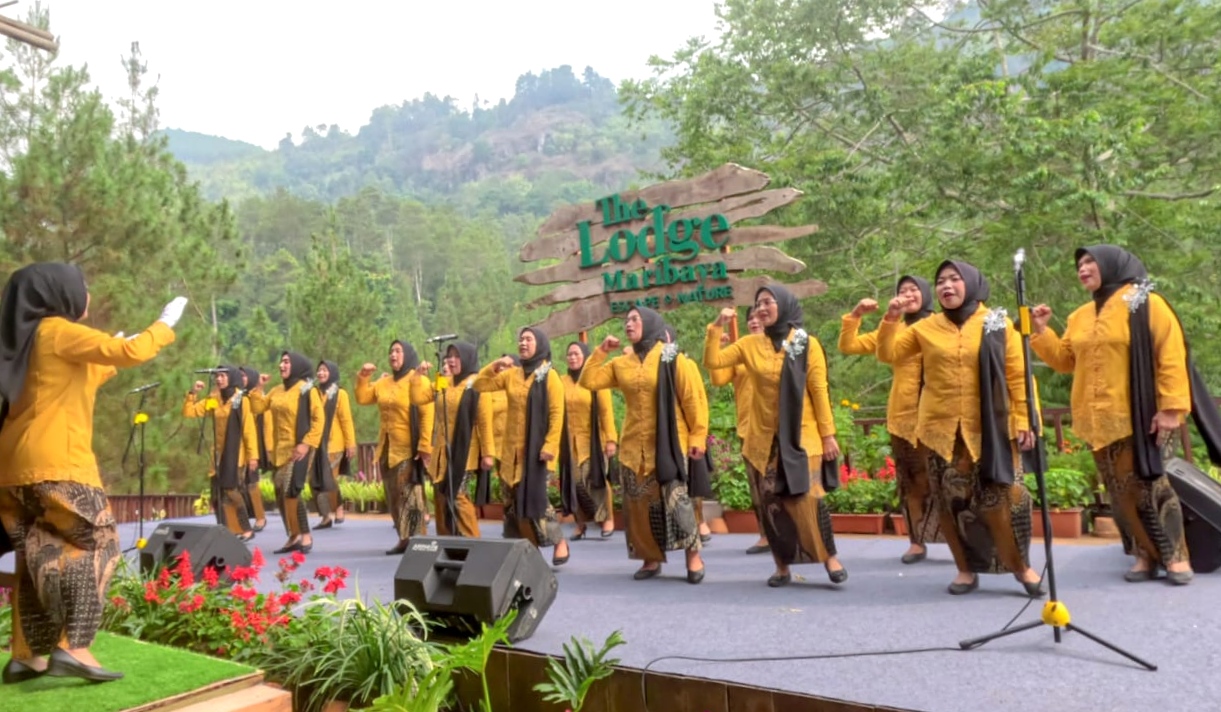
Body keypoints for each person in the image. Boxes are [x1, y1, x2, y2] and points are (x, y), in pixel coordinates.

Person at [0, 262, 184, 683]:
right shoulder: (58, 330)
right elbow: (132, 352)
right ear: (58, 293)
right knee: (97, 544)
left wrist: (111, 351)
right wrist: (163, 324)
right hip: (58, 465)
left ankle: (26, 655)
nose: (88, 295)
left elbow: (82, 375)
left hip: (13, 471)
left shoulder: (26, 340)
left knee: (36, 556)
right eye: (83, 287)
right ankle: (74, 646)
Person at [1031, 246, 1221, 585]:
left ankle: (1176, 557)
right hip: (1096, 421)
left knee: (1153, 487)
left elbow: (1171, 356)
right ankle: (1143, 556)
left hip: (1142, 416)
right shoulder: (1080, 316)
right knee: (1119, 494)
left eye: (1090, 262)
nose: (1083, 268)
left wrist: (1171, 409)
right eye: (1079, 264)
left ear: (1112, 264)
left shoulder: (1147, 303)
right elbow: (1064, 360)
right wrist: (1041, 332)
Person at [877, 260, 1043, 596]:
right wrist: (891, 319)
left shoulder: (996, 324)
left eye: (954, 279)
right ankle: (965, 569)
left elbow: (1017, 374)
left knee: (1006, 498)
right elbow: (890, 353)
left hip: (992, 429)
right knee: (952, 502)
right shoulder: (925, 328)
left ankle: (1021, 567)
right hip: (939, 433)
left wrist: (1025, 418)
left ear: (971, 282)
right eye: (940, 282)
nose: (946, 286)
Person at [704, 286, 847, 588]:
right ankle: (781, 566)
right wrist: (716, 327)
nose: (761, 308)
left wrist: (828, 435)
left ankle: (829, 557)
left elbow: (819, 391)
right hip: (761, 440)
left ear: (784, 304)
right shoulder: (749, 344)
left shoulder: (806, 344)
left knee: (809, 500)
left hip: (800, 438)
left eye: (768, 302)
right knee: (769, 503)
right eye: (757, 304)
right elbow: (714, 363)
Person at [579, 307, 706, 583]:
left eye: (635, 319)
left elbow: (692, 400)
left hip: (670, 444)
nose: (628, 324)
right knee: (638, 505)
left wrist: (698, 437)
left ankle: (693, 556)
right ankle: (650, 559)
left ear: (649, 323)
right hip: (633, 447)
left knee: (677, 501)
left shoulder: (671, 357)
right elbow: (588, 380)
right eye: (626, 320)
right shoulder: (620, 364)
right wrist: (600, 352)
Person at [838, 276, 941, 564]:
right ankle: (917, 541)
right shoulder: (892, 328)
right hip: (904, 417)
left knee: (950, 479)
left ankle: (963, 540)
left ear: (925, 294)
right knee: (911, 480)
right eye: (902, 290)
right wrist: (856, 315)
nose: (908, 295)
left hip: (942, 414)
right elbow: (848, 345)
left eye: (914, 290)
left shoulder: (943, 324)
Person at [474, 328, 571, 566]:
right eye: (521, 339)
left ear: (540, 344)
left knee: (537, 501)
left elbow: (558, 414)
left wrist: (549, 445)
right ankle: (526, 550)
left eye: (528, 339)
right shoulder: (512, 375)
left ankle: (559, 542)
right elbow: (479, 385)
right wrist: (494, 365)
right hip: (511, 453)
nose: (523, 343)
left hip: (538, 454)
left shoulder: (549, 377)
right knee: (511, 502)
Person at [356, 340, 433, 555]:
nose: (393, 355)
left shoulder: (418, 380)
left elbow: (427, 414)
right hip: (386, 448)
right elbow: (363, 398)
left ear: (407, 354)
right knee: (393, 495)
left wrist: (425, 444)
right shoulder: (384, 383)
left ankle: (419, 540)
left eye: (398, 351)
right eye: (391, 351)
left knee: (410, 494)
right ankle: (404, 538)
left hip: (409, 447)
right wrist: (363, 376)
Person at [411, 341, 492, 538]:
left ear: (467, 359)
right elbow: (418, 398)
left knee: (457, 495)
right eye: (450, 356)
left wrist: (488, 453)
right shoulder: (444, 382)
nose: (451, 360)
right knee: (440, 495)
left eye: (457, 356)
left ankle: (473, 542)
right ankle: (446, 541)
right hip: (441, 451)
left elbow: (484, 421)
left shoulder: (478, 383)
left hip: (463, 451)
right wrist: (417, 375)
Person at [248, 352, 324, 555]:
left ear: (297, 365)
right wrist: (259, 387)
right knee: (280, 490)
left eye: (287, 362)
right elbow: (258, 407)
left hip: (300, 448)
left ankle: (305, 535)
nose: (282, 365)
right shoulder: (276, 390)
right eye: (281, 361)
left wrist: (306, 444)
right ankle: (293, 535)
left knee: (291, 489)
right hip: (280, 451)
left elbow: (319, 419)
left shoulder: (307, 390)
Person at [710, 307, 771, 554]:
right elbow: (717, 378)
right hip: (749, 428)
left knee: (782, 485)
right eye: (750, 319)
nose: (754, 321)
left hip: (777, 427)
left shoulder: (779, 346)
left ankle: (792, 533)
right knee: (757, 485)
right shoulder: (742, 350)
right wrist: (721, 348)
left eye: (758, 317)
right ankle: (766, 535)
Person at [182, 365, 257, 541]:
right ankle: (227, 531)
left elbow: (248, 429)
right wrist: (193, 393)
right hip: (218, 455)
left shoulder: (241, 400)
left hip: (236, 454)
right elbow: (190, 412)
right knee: (217, 494)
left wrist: (253, 456)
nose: (219, 379)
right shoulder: (214, 398)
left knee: (231, 491)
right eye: (217, 376)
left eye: (223, 376)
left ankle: (246, 529)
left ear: (232, 378)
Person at [559, 341, 618, 539]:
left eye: (576, 354)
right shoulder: (562, 381)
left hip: (593, 441)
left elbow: (606, 412)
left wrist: (610, 439)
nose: (572, 358)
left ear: (585, 356)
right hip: (569, 442)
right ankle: (581, 522)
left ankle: (607, 518)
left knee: (596, 480)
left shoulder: (595, 380)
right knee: (574, 483)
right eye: (569, 354)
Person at [311, 360, 355, 529]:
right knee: (314, 480)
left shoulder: (340, 394)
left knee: (328, 480)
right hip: (316, 445)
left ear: (332, 373)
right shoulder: (313, 393)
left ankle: (337, 509)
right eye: (319, 370)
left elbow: (346, 420)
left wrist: (350, 444)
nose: (321, 373)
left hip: (335, 445)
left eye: (324, 370)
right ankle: (325, 516)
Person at [238, 366, 268, 531]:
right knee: (238, 484)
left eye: (244, 376)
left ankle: (260, 517)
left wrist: (259, 387)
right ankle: (242, 519)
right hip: (237, 446)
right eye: (239, 375)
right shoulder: (236, 396)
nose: (241, 378)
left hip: (253, 445)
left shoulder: (255, 396)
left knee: (252, 482)